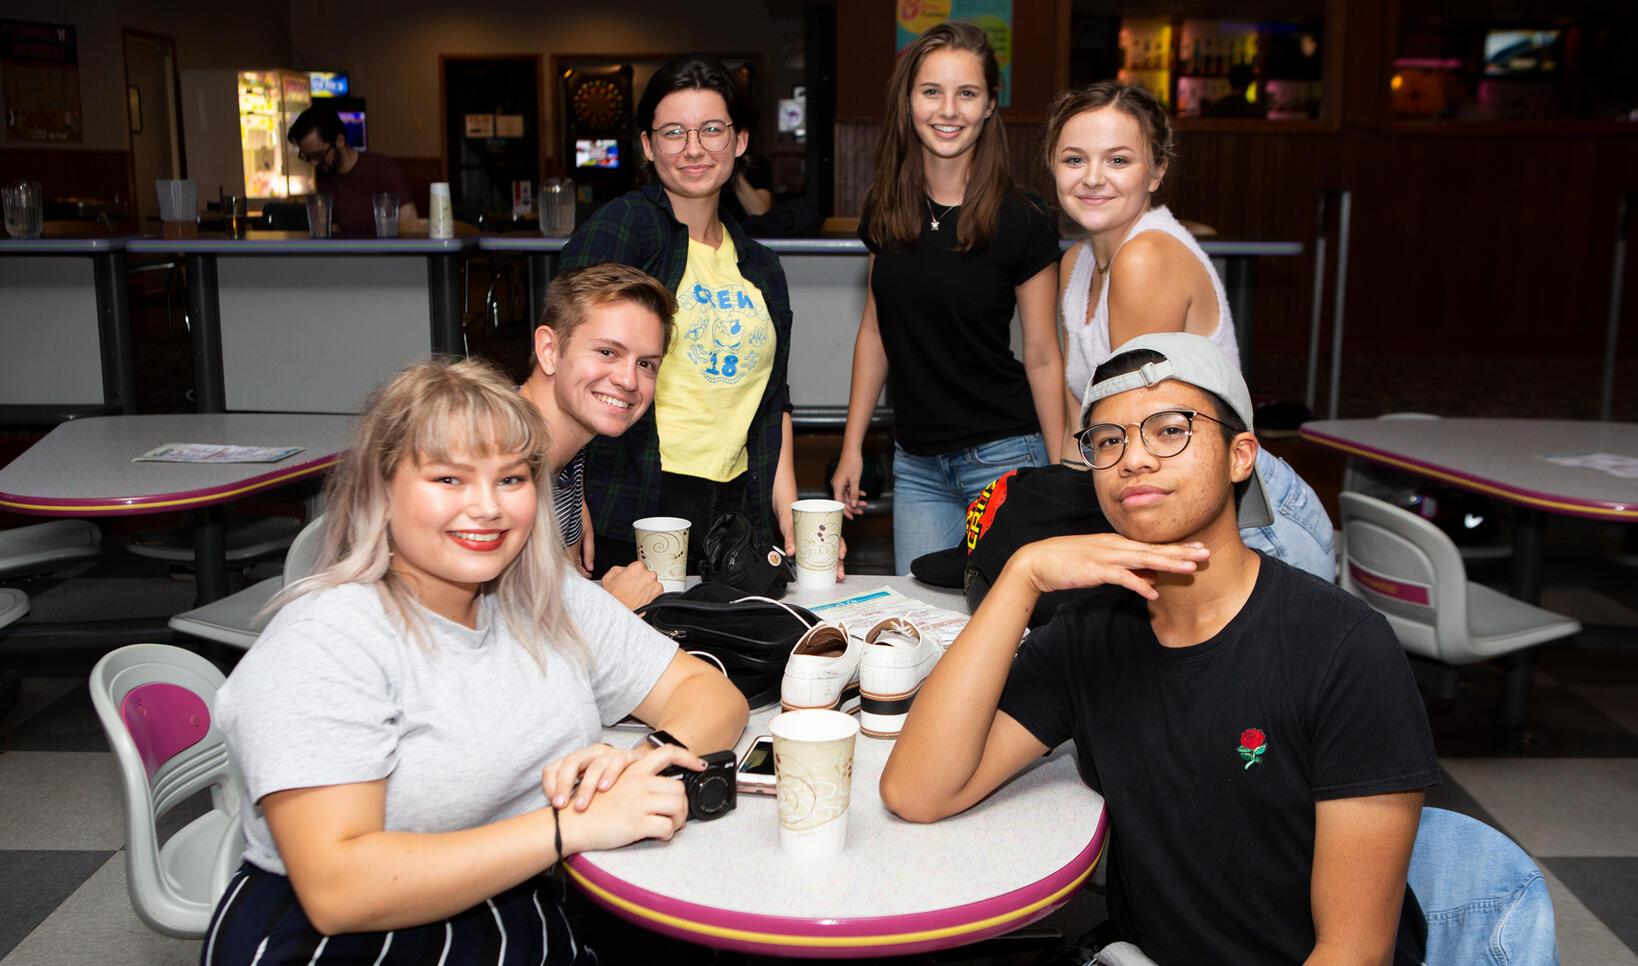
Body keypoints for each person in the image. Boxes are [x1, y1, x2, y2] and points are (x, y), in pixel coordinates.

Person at [881, 333, 1441, 964]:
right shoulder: (1088, 635)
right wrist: (1021, 577)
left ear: (1240, 457)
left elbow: (1353, 951)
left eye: (1171, 430)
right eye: (1108, 440)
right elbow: (919, 792)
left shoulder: (1343, 650)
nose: (1134, 460)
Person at [204, 357, 748, 964]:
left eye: (511, 479)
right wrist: (569, 828)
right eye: (449, 480)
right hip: (345, 943)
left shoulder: (546, 594)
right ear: (381, 492)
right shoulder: (325, 640)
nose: (487, 507)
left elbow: (710, 696)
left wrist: (631, 766)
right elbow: (340, 888)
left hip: (522, 912)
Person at [1048, 80, 1334, 580]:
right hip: (1167, 502)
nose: (1093, 178)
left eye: (1118, 160)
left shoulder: (1145, 258)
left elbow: (1139, 427)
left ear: (1157, 170)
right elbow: (1084, 417)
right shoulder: (1076, 263)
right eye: (1074, 160)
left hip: (1248, 523)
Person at [559, 55, 808, 576]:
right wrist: (562, 494)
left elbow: (773, 402)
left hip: (738, 509)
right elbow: (565, 366)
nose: (694, 149)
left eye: (711, 130)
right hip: (634, 501)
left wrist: (790, 514)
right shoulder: (625, 229)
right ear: (649, 146)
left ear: (739, 141)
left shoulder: (762, 267)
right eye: (674, 132)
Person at [831, 21, 1065, 574]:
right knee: (925, 633)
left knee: (1008, 634)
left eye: (967, 93)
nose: (948, 109)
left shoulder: (1024, 219)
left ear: (989, 105)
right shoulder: (886, 207)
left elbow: (1043, 355)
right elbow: (875, 330)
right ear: (908, 100)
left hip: (1004, 456)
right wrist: (851, 446)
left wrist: (1059, 474)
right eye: (931, 91)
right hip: (916, 465)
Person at [519, 262, 676, 610]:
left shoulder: (565, 452)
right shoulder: (497, 460)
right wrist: (612, 607)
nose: (629, 380)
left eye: (646, 364)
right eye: (607, 352)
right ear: (548, 350)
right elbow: (481, 646)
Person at [288, 104, 416, 237]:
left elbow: (409, 223)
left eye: (318, 155)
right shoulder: (323, 176)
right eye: (307, 157)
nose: (313, 163)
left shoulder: (382, 168)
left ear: (340, 140)